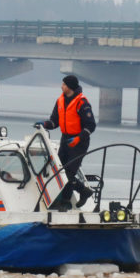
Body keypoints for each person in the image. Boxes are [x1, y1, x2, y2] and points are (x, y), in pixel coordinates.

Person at [35, 75, 96, 208]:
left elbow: (91, 126)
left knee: (69, 173)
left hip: (79, 142)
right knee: (60, 171)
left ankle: (71, 199)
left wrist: (78, 138)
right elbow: (54, 122)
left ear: (69, 87)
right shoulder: (60, 101)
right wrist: (44, 124)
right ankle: (80, 193)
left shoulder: (82, 102)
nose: (61, 87)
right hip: (65, 139)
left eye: (63, 84)